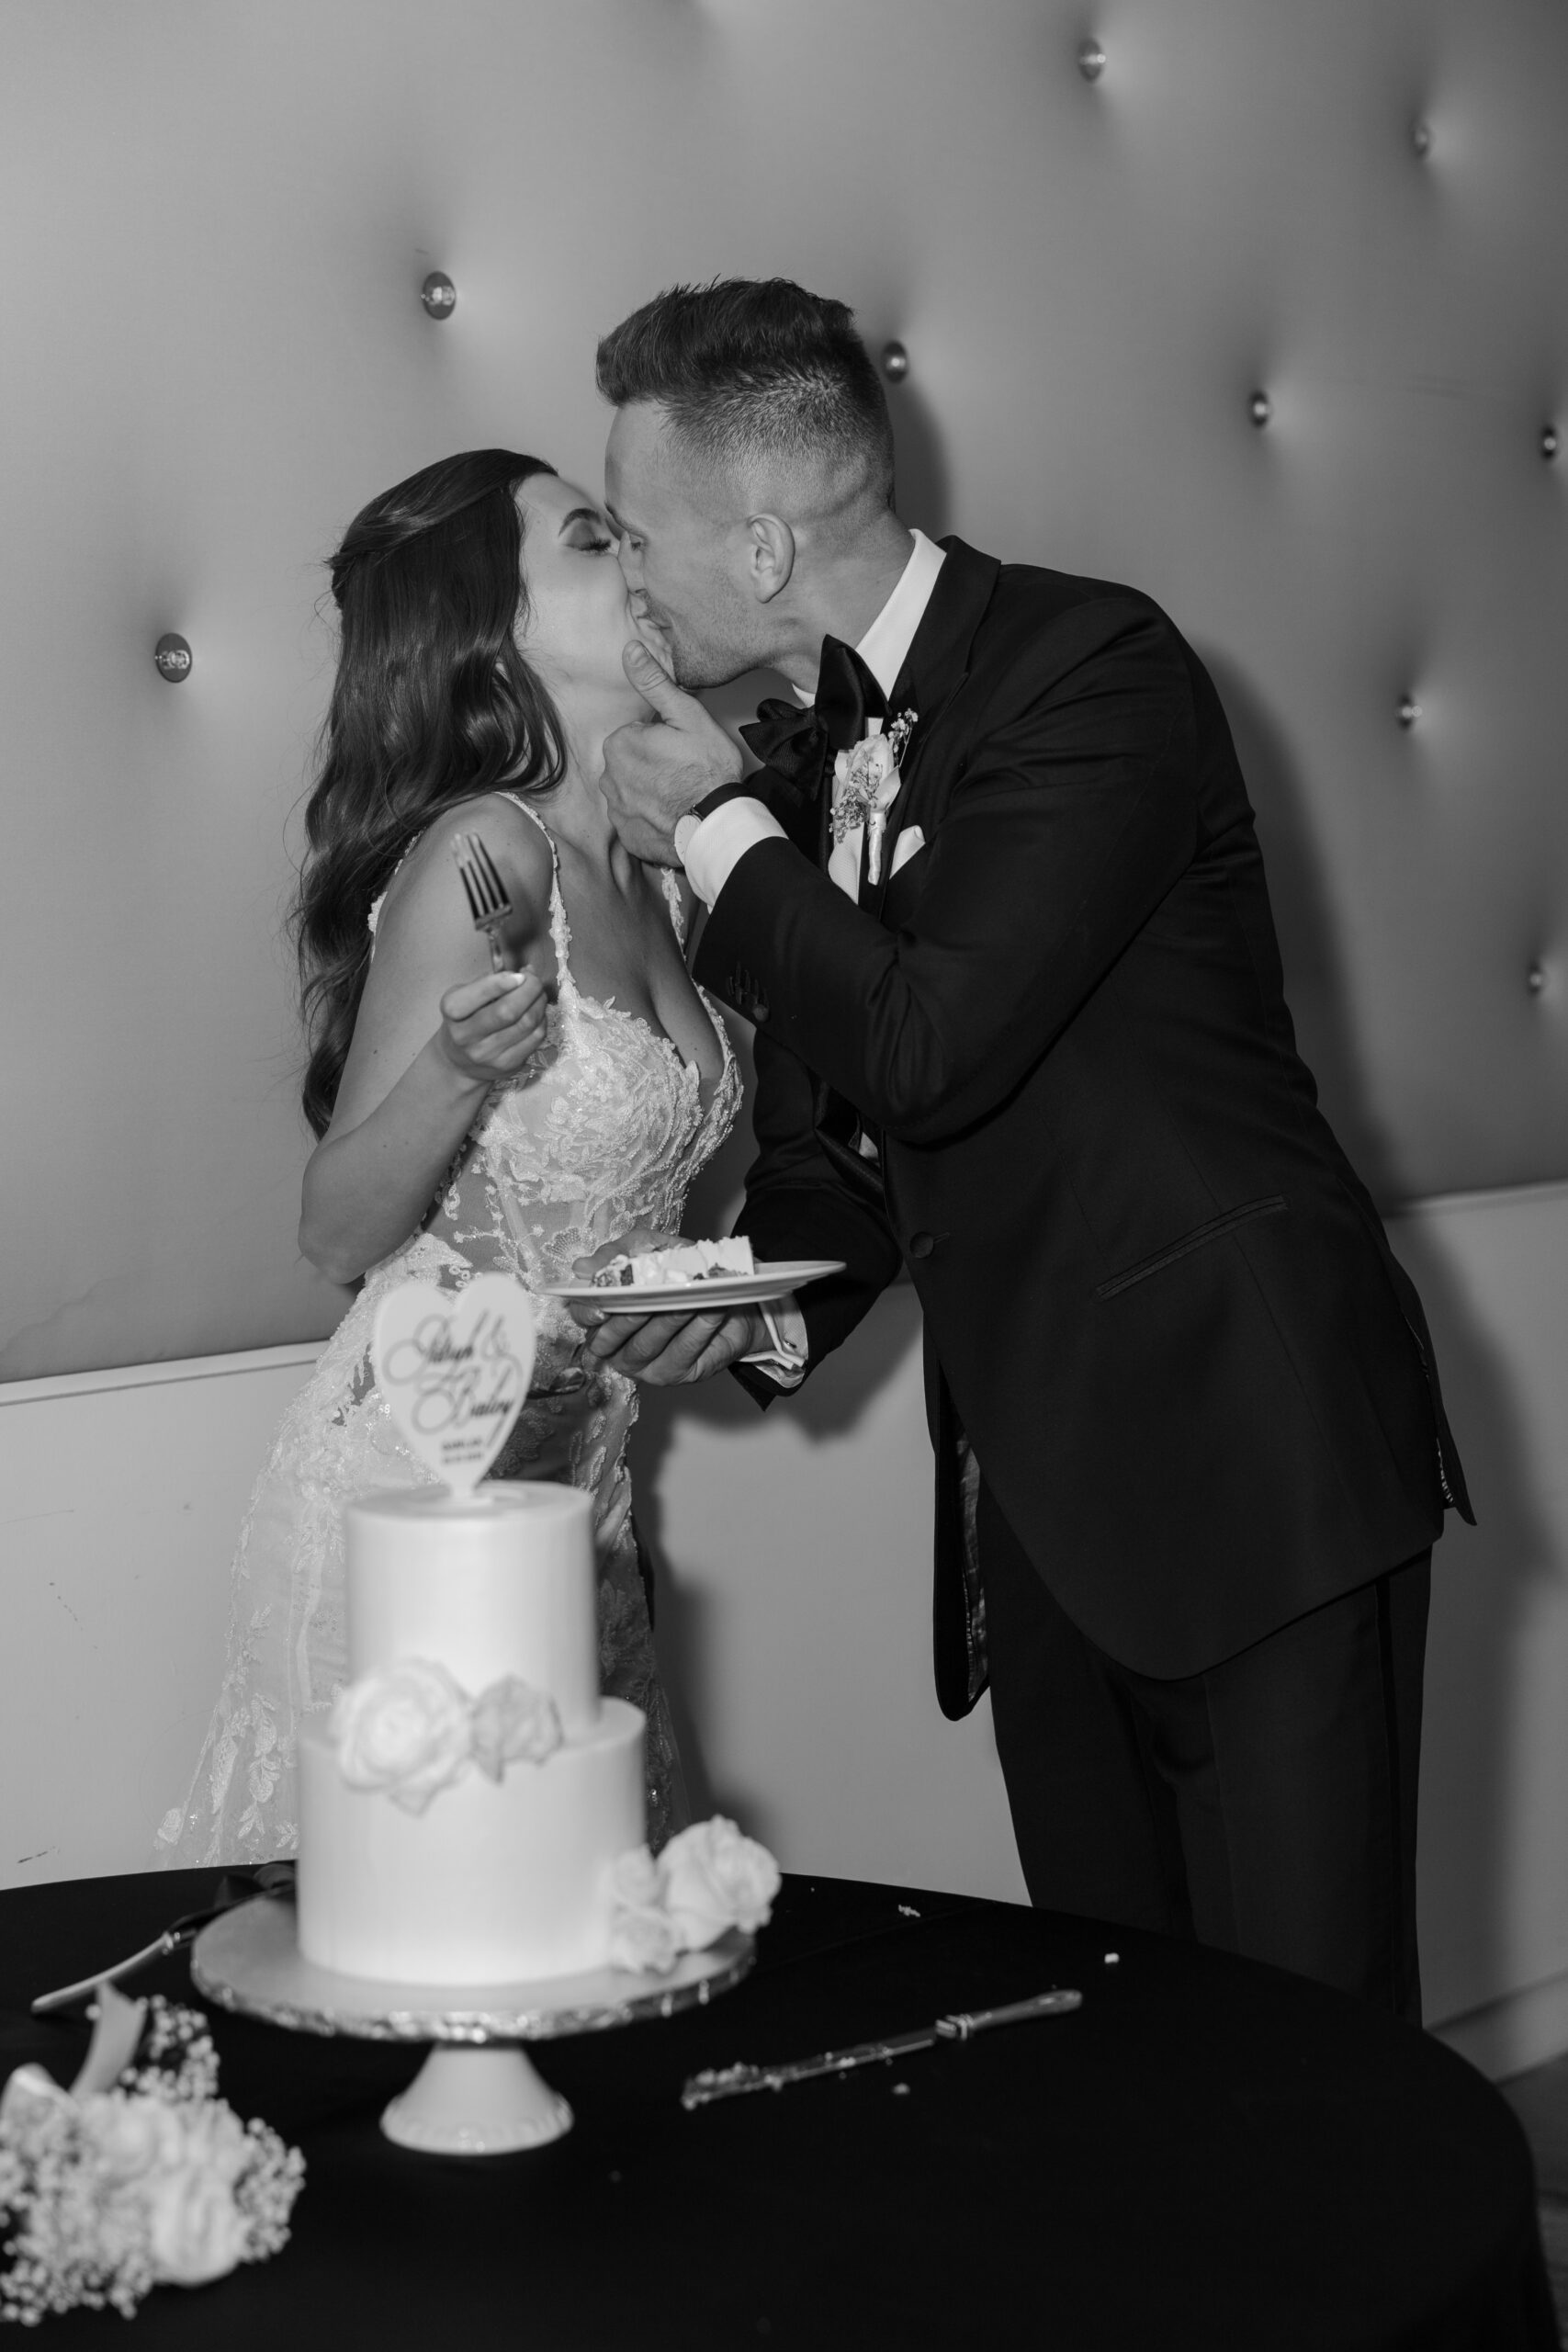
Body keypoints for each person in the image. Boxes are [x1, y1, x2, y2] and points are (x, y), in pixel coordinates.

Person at [578, 278, 1472, 2019]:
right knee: (1127, 2055)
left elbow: (934, 1039)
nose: (624, 579)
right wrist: (753, 1308)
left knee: (1315, 2060)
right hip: (1044, 1511)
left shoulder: (1095, 666)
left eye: (632, 532)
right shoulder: (805, 748)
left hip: (1251, 1459)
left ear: (760, 548)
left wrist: (712, 830)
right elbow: (844, 1146)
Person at [158, 447, 763, 1866]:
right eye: (593, 540)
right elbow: (335, 1232)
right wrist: (457, 1067)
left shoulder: (660, 863)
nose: (640, 558)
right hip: (423, 1485)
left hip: (585, 1497)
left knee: (578, 1959)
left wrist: (717, 1293)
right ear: (494, 634)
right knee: (429, 1956)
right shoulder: (487, 860)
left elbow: (632, 1202)